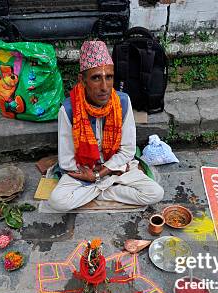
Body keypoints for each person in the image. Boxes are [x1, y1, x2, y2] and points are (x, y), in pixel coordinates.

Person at [47, 40, 164, 212]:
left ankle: (96, 192)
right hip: (83, 170)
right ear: (83, 80)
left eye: (109, 77)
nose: (104, 87)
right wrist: (89, 174)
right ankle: (108, 190)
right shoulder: (69, 109)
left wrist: (99, 175)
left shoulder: (123, 102)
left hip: (113, 167)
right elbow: (66, 160)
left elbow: (127, 151)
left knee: (155, 193)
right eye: (96, 78)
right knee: (57, 202)